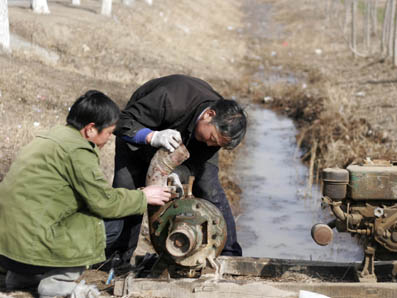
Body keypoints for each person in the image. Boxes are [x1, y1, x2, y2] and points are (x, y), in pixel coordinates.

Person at [0, 90, 171, 297]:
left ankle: (22, 277)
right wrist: (143, 197)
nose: (109, 139)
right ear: (90, 129)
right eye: (109, 132)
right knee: (106, 224)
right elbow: (103, 202)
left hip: (8, 244)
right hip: (32, 241)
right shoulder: (78, 151)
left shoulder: (51, 136)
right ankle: (58, 284)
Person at [110, 74, 247, 261]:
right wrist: (152, 137)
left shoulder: (211, 136)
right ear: (209, 114)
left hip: (189, 140)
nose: (211, 145)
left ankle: (229, 256)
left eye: (217, 145)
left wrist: (177, 173)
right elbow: (121, 122)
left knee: (210, 188)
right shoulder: (170, 99)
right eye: (213, 139)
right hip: (139, 135)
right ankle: (116, 259)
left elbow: (200, 162)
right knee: (129, 190)